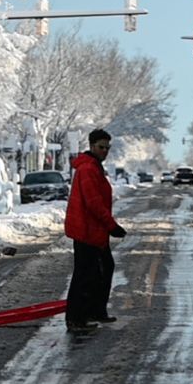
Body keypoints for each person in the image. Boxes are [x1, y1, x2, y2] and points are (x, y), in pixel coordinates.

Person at [64, 129, 126, 333]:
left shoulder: (94, 167)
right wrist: (112, 226)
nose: (105, 151)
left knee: (104, 268)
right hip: (87, 231)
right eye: (101, 147)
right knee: (85, 274)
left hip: (95, 231)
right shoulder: (88, 169)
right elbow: (94, 203)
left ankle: (95, 310)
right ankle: (76, 317)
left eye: (107, 148)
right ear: (91, 146)